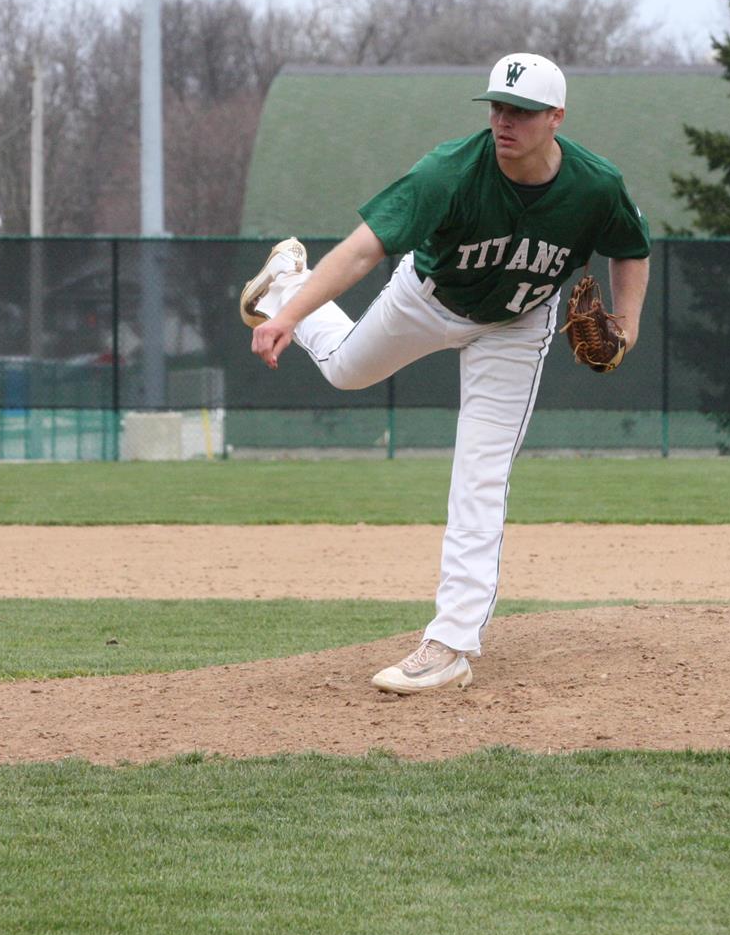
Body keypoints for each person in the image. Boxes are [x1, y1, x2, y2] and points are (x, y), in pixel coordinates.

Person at [241, 52, 651, 694]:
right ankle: (285, 283)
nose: (505, 120)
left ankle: (451, 643)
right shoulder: (450, 171)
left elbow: (631, 247)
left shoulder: (595, 186)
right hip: (428, 300)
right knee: (346, 371)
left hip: (515, 328)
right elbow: (362, 249)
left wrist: (625, 324)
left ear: (556, 118)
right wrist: (292, 314)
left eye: (521, 111)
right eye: (497, 106)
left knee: (480, 476)